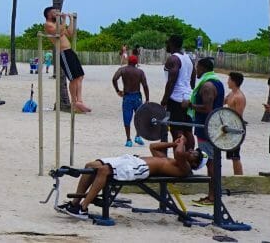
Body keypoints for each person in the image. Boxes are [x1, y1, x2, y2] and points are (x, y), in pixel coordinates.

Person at [56, 134, 207, 220]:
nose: (193, 152)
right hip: (134, 161)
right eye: (195, 151)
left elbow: (180, 153)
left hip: (140, 169)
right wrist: (174, 144)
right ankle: (75, 204)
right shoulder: (172, 160)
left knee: (103, 171)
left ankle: (83, 208)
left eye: (196, 155)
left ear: (194, 164)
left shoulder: (184, 168)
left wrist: (182, 142)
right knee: (90, 166)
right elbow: (153, 147)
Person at [181, 57, 223, 206]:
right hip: (212, 128)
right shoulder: (216, 82)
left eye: (197, 68)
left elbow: (208, 109)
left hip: (207, 130)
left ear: (203, 68)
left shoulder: (207, 86)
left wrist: (190, 105)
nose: (196, 70)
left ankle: (212, 197)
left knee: (210, 163)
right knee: (212, 162)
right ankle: (213, 195)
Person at [43, 7, 90, 112]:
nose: (57, 13)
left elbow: (70, 33)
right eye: (54, 12)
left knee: (80, 76)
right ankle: (74, 102)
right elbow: (58, 33)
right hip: (63, 52)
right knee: (73, 78)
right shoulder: (48, 25)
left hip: (69, 51)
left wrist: (71, 20)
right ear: (49, 15)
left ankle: (80, 101)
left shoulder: (58, 24)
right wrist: (63, 19)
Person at [160, 34, 194, 149]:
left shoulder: (173, 58)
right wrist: (189, 93)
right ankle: (190, 155)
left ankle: (179, 159)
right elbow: (192, 79)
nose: (166, 46)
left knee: (176, 131)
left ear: (172, 44)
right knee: (188, 130)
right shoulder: (189, 58)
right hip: (188, 98)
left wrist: (164, 100)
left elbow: (171, 81)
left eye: (167, 43)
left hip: (175, 99)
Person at [112, 54, 149, 146]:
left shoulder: (122, 70)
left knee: (127, 118)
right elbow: (145, 85)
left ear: (128, 61)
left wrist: (117, 90)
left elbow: (114, 79)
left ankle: (128, 140)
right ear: (136, 63)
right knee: (139, 117)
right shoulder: (140, 72)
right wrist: (147, 98)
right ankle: (138, 136)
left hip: (127, 96)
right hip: (137, 96)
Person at [224, 71, 246, 175]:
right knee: (232, 156)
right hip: (229, 127)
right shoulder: (231, 94)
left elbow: (238, 116)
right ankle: (236, 177)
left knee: (235, 156)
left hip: (236, 128)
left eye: (229, 80)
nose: (227, 82)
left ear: (234, 81)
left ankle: (239, 178)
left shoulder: (239, 97)